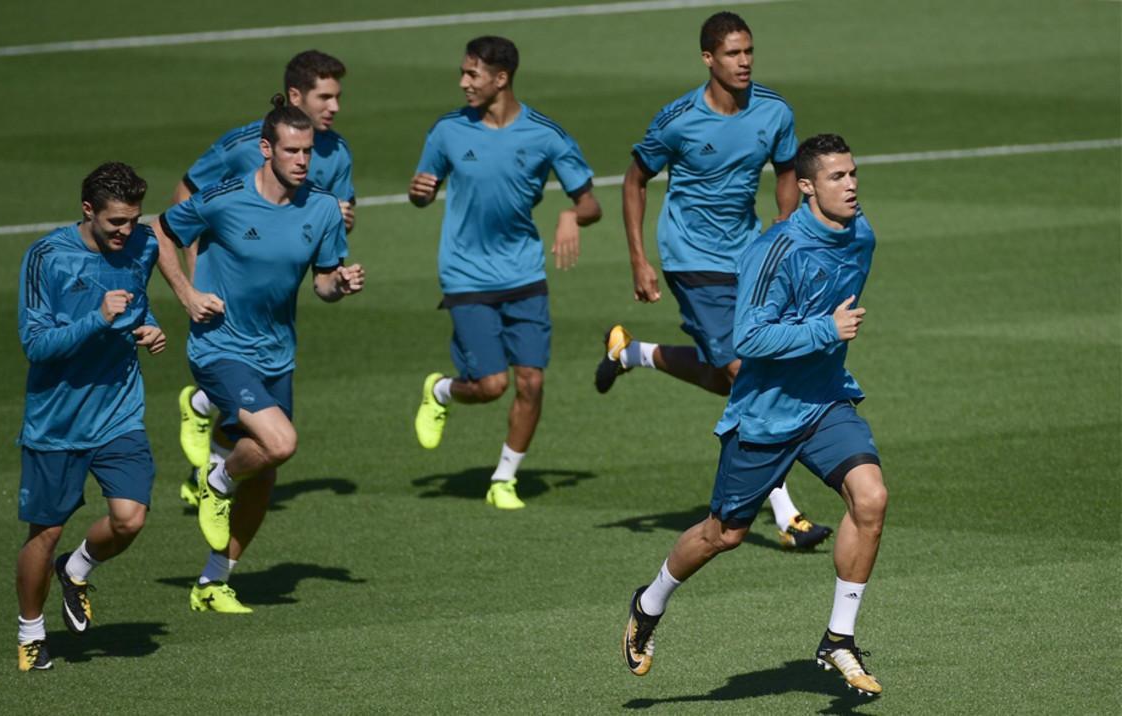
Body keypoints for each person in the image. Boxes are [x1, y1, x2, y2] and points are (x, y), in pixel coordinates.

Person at [621, 135, 889, 697]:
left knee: (871, 498)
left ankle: (839, 638)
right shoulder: (776, 249)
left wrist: (823, 345)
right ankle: (649, 603)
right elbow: (746, 337)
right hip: (766, 415)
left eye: (854, 173)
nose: (852, 184)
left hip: (825, 400)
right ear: (808, 187)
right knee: (724, 535)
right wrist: (823, 330)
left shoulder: (861, 235)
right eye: (838, 177)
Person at [595, 11, 829, 549]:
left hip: (748, 254)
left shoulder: (773, 111)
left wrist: (785, 225)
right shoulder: (678, 119)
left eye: (749, 51)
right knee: (748, 372)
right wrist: (638, 259)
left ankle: (633, 354)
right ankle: (786, 513)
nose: (744, 62)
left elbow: (788, 169)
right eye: (732, 53)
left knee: (731, 378)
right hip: (690, 259)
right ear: (708, 58)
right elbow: (634, 181)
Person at [153, 99, 365, 614]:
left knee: (265, 473)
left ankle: (213, 581)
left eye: (308, 152)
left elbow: (321, 285)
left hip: (276, 355)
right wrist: (186, 295)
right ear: (266, 150)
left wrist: (339, 284)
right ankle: (214, 478)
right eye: (291, 151)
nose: (301, 161)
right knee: (280, 443)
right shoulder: (224, 199)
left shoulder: (321, 207)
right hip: (220, 347)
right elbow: (157, 230)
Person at [408, 35, 602, 510]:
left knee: (531, 382)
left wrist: (569, 216)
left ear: (501, 78)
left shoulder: (546, 135)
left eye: (471, 74)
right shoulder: (448, 131)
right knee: (491, 386)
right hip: (466, 275)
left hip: (523, 273)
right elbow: (422, 191)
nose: (463, 82)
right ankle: (441, 390)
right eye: (463, 73)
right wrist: (420, 192)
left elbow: (590, 203)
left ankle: (503, 478)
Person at [172, 50, 356, 507]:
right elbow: (184, 201)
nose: (334, 106)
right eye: (325, 96)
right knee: (274, 436)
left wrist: (338, 231)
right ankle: (212, 468)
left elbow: (325, 240)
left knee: (261, 447)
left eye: (338, 97)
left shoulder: (338, 155)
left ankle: (206, 425)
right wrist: (194, 282)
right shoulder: (241, 146)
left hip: (274, 334)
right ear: (295, 96)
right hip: (223, 319)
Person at [15, 162, 166, 671]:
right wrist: (98, 320)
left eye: (134, 219)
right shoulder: (47, 257)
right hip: (57, 420)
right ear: (88, 211)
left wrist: (149, 328)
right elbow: (36, 346)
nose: (128, 232)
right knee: (45, 531)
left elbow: (138, 306)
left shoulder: (143, 246)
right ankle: (31, 632)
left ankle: (77, 569)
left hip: (119, 410)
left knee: (130, 518)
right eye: (116, 222)